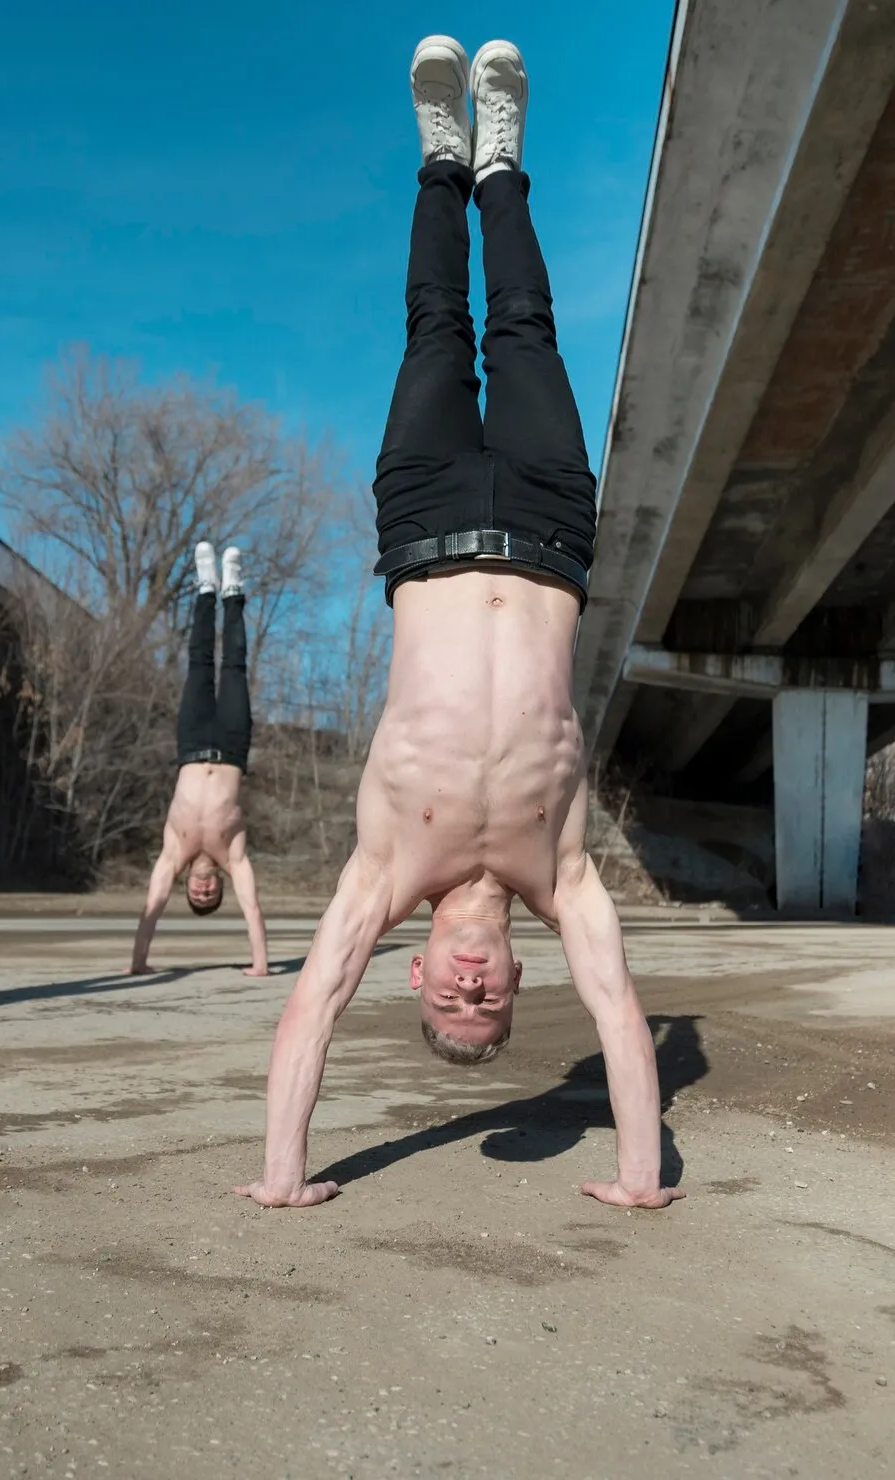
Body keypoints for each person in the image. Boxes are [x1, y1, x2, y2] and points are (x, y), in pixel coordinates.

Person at [236, 38, 683, 1211]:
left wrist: (283, 1176)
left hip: (424, 518)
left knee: (436, 327)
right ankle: (500, 164)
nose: (471, 989)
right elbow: (625, 1014)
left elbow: (309, 1004)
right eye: (488, 1004)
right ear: (518, 978)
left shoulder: (383, 872)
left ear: (422, 968)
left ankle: (439, 159)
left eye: (449, 997)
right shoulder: (567, 874)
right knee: (524, 325)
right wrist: (640, 1174)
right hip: (546, 526)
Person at [129, 542, 269, 977]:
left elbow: (152, 905)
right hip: (231, 745)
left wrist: (139, 963)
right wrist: (261, 964)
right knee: (235, 668)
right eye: (211, 894)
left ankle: (205, 587)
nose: (205, 888)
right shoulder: (233, 853)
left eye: (197, 893)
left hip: (190, 744)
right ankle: (233, 592)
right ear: (218, 886)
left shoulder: (175, 850)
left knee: (199, 662)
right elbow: (251, 905)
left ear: (187, 885)